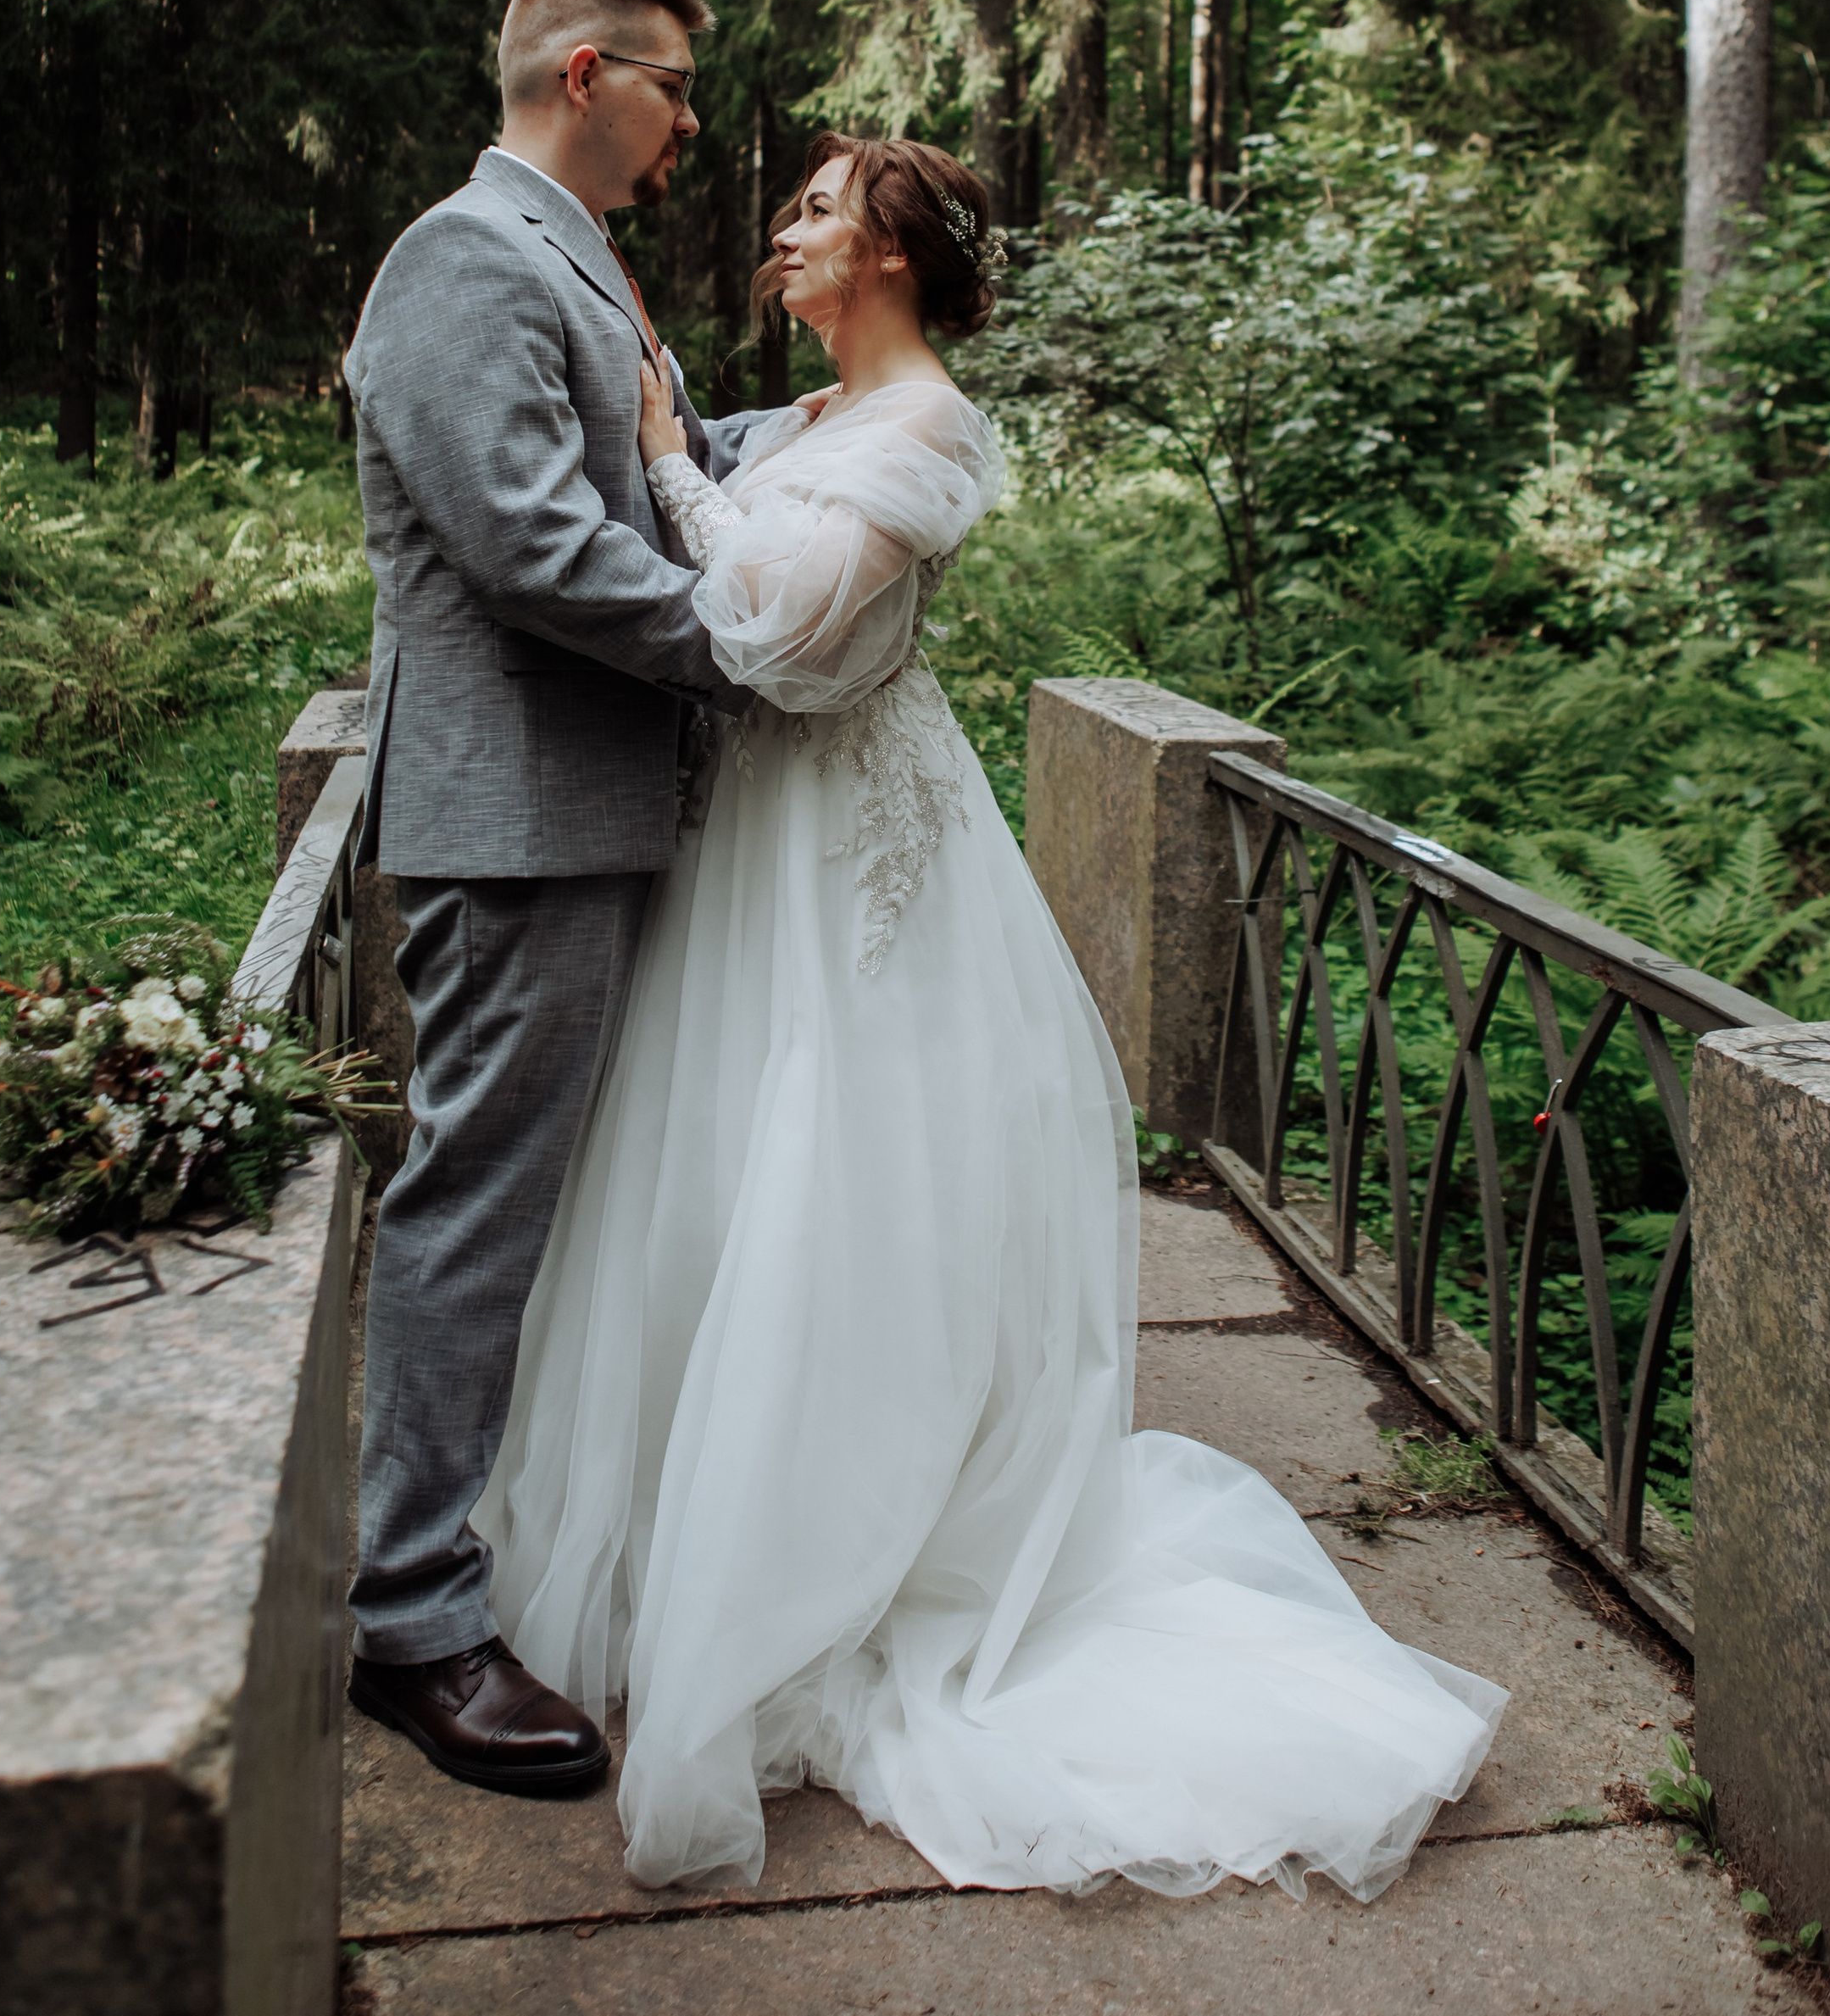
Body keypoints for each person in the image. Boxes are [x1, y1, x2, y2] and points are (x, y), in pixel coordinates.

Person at [477, 131, 1507, 1900]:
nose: (781, 233)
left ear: (888, 255)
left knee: (841, 1199)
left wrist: (663, 466)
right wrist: (661, 450)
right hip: (752, 860)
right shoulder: (795, 427)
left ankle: (843, 1557)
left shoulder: (930, 429)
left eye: (814, 211)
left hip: (857, 875)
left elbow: (786, 640)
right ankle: (699, 1529)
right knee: (718, 1194)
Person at [342, 0, 787, 1796]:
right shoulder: (463, 257)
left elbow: (641, 473)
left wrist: (851, 437)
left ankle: (501, 1538)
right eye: (677, 83)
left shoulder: (583, 265)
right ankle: (412, 1622)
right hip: (518, 819)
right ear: (585, 72)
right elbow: (533, 545)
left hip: (593, 806)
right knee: (480, 1203)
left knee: (558, 1202)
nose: (693, 119)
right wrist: (755, 638)